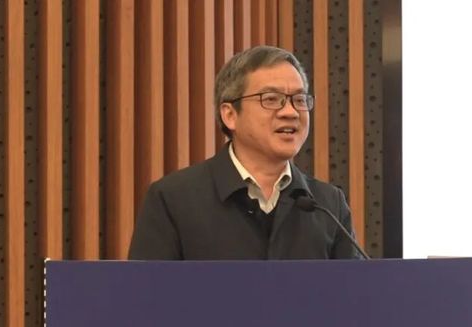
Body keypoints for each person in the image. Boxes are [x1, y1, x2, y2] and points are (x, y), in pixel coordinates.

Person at [128, 45, 361, 260]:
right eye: (271, 99)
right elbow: (145, 290)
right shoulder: (173, 199)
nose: (290, 112)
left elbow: (354, 289)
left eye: (299, 100)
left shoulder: (328, 204)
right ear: (230, 115)